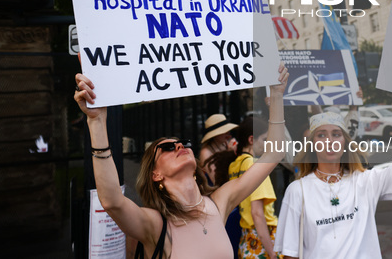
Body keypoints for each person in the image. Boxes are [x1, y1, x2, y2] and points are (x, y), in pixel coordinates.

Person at [73, 63, 288, 259]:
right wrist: (97, 122)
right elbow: (112, 201)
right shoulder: (155, 224)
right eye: (167, 148)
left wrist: (277, 96)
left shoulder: (218, 203)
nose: (179, 146)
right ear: (155, 174)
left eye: (183, 143)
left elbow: (274, 154)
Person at [274, 86, 392, 258]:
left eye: (336, 134)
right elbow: (290, 254)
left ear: (345, 142)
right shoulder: (297, 191)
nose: (329, 141)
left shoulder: (365, 181)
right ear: (312, 144)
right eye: (321, 135)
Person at [228, 116, 280, 259]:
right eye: (264, 140)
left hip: (246, 239)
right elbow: (257, 213)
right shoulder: (254, 165)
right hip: (263, 238)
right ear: (251, 140)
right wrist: (272, 254)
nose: (267, 145)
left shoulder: (235, 165)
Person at [199, 114, 239, 186]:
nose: (228, 133)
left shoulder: (225, 143)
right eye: (224, 131)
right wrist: (229, 154)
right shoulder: (205, 152)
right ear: (215, 134)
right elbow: (216, 180)